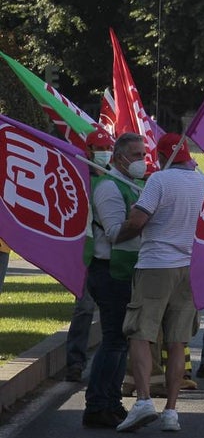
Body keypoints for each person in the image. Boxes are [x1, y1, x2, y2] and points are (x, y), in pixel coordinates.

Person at [114, 133, 204, 433]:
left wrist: (117, 236)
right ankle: (171, 411)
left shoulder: (159, 181)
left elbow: (137, 222)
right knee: (177, 342)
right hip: (189, 267)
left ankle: (143, 401)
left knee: (140, 334)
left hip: (156, 265)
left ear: (163, 157)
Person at [81, 132, 146, 429]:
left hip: (123, 271)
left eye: (142, 155)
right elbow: (114, 233)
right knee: (114, 341)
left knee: (121, 341)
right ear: (119, 157)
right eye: (135, 155)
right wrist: (142, 222)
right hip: (109, 272)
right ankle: (96, 405)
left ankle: (111, 401)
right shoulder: (109, 187)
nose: (141, 161)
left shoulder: (131, 185)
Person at [65, 129, 116, 382]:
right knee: (84, 309)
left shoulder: (116, 179)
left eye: (108, 148)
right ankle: (75, 362)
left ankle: (110, 365)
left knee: (113, 314)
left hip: (111, 258)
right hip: (86, 256)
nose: (104, 153)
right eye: (99, 148)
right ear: (89, 151)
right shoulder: (79, 179)